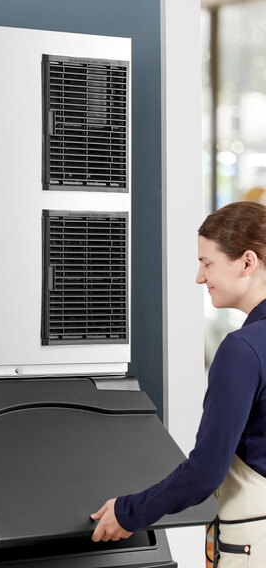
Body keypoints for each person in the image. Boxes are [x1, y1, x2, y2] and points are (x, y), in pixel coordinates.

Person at [90, 201, 266, 567]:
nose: (200, 277)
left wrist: (128, 513)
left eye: (207, 263)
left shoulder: (242, 350)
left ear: (247, 262)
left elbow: (205, 472)